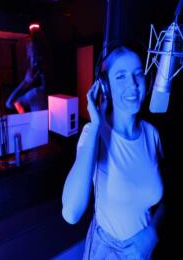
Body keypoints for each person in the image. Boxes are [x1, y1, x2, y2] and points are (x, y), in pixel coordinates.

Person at [62, 45, 165, 259]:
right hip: (106, 251)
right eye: (120, 76)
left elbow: (166, 195)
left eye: (138, 74)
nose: (133, 84)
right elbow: (71, 212)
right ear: (105, 87)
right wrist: (96, 125)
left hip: (145, 249)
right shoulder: (95, 134)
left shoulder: (152, 134)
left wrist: (152, 233)